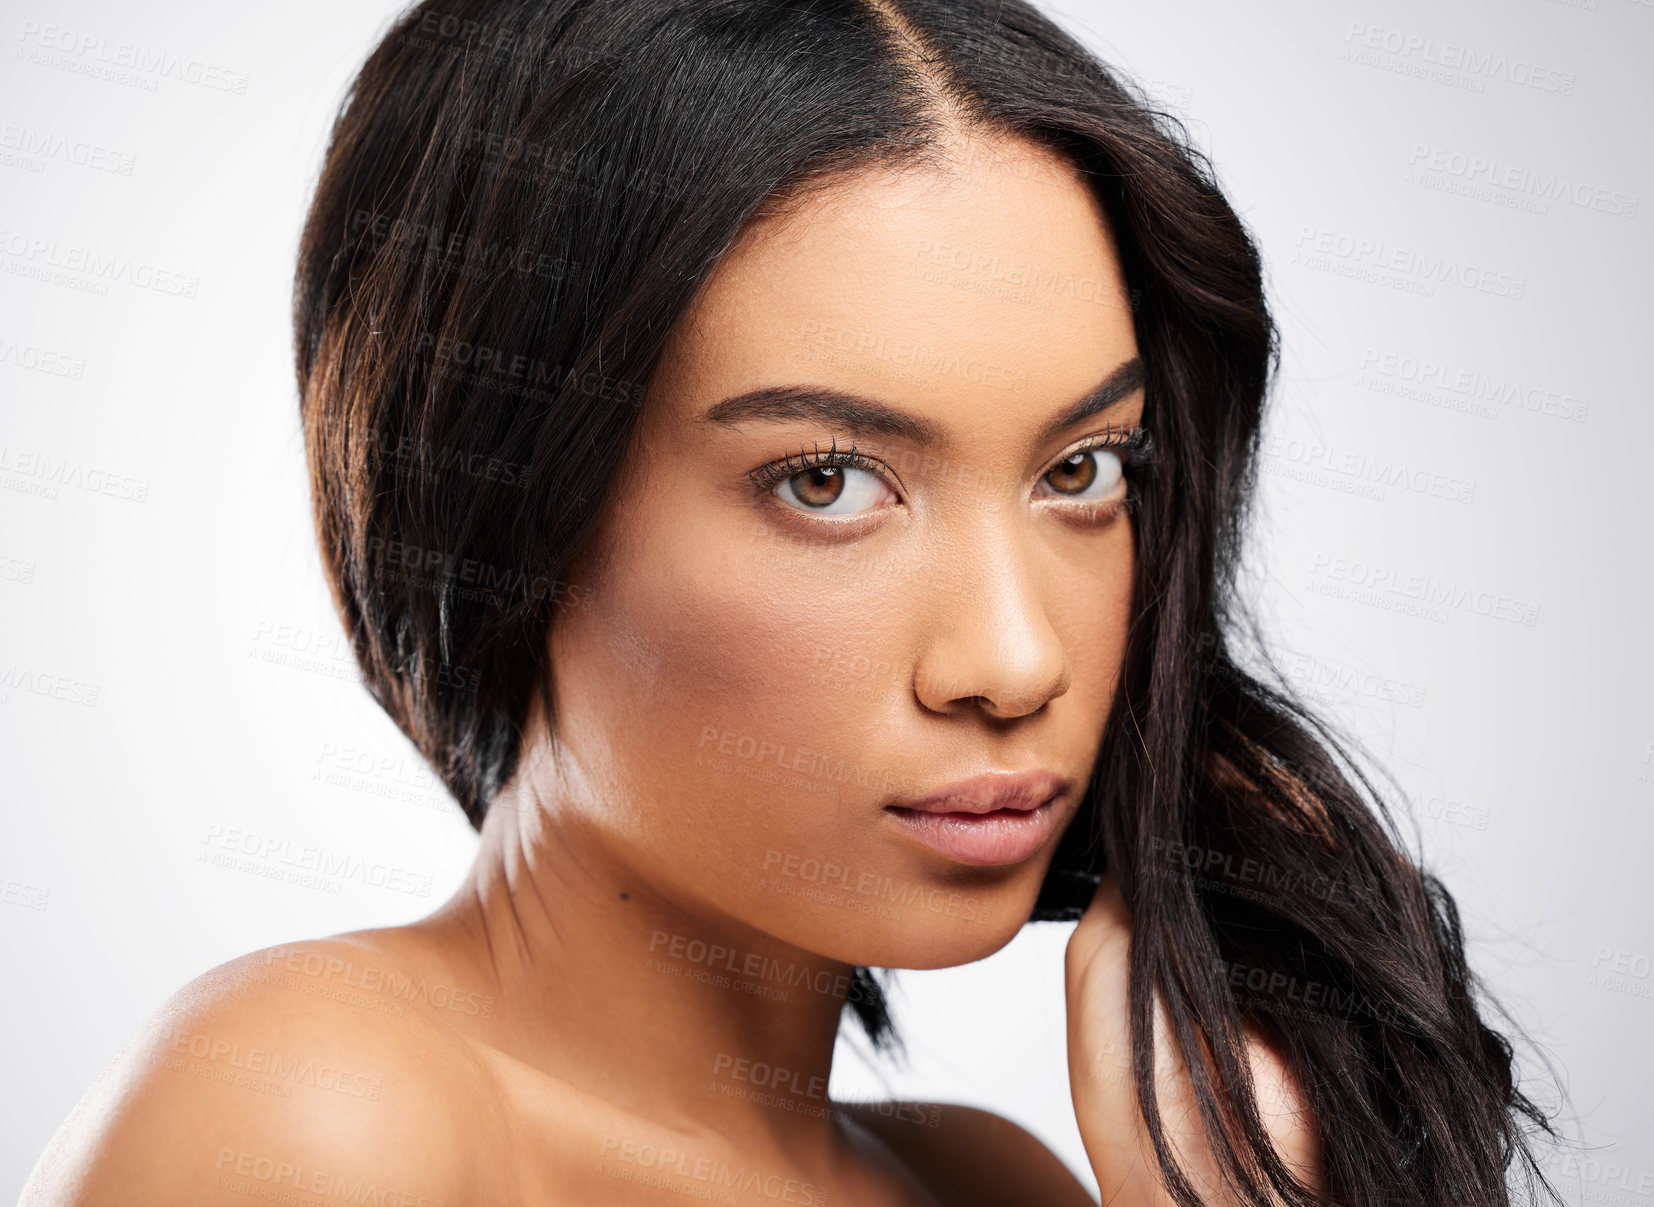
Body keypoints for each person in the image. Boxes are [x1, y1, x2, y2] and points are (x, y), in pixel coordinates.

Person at [21, 1, 1558, 1203]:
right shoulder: (313, 1117)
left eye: (1083, 470)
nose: (1014, 659)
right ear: (498, 503)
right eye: (826, 480)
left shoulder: (1000, 1181)